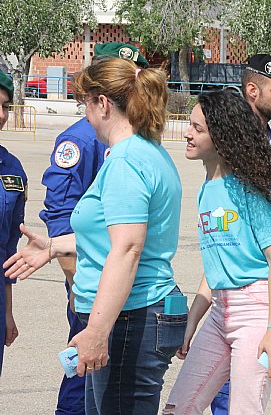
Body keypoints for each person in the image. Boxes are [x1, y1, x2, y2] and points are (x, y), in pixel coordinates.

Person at [4, 58, 184, 414]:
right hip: (135, 314)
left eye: (84, 102)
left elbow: (128, 248)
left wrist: (98, 330)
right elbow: (117, 235)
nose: (83, 112)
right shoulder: (144, 152)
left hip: (131, 318)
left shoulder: (127, 161)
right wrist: (55, 245)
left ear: (102, 103)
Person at [163, 90, 271, 414]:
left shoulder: (247, 188)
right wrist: (192, 322)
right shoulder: (208, 189)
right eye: (190, 125)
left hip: (259, 313)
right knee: (178, 408)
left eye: (198, 129)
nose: (188, 134)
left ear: (221, 137)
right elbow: (217, 265)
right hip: (222, 310)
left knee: (244, 409)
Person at [38, 42, 148, 415]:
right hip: (92, 285)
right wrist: (73, 282)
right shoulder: (81, 138)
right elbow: (61, 214)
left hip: (121, 286)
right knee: (84, 374)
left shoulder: (137, 142)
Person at [208, 53, 271, 414]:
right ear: (252, 90)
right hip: (233, 284)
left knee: (247, 397)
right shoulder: (223, 144)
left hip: (264, 286)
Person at [0, 72, 26, 376]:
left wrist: (7, 312)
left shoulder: (12, 171)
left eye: (6, 106)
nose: (2, 116)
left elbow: (8, 250)